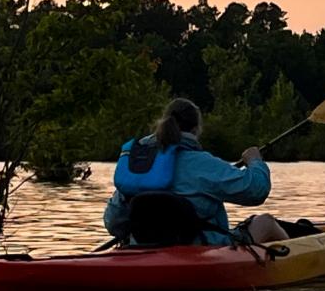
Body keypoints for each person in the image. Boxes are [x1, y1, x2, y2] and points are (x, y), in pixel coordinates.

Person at [103, 97, 287, 245]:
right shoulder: (205, 164)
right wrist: (255, 161)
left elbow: (113, 223)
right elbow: (256, 191)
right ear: (196, 129)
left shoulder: (139, 165)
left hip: (142, 249)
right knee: (266, 222)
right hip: (202, 248)